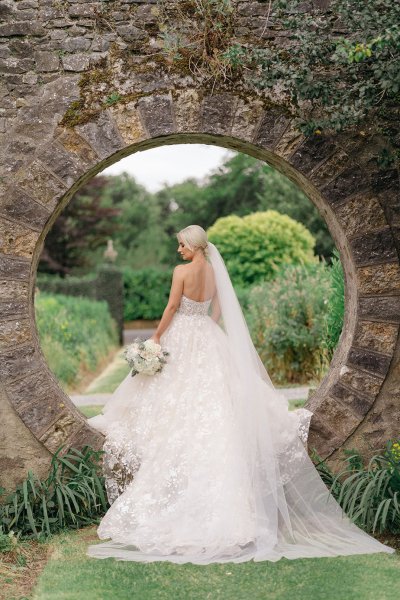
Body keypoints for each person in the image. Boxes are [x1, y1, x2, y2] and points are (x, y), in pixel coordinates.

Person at [86, 225, 395, 564]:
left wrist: (157, 338)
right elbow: (218, 309)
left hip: (184, 334)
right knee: (216, 397)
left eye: (180, 245)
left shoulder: (183, 271)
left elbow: (173, 306)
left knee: (176, 394)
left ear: (191, 245)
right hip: (206, 333)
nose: (178, 251)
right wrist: (207, 324)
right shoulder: (214, 271)